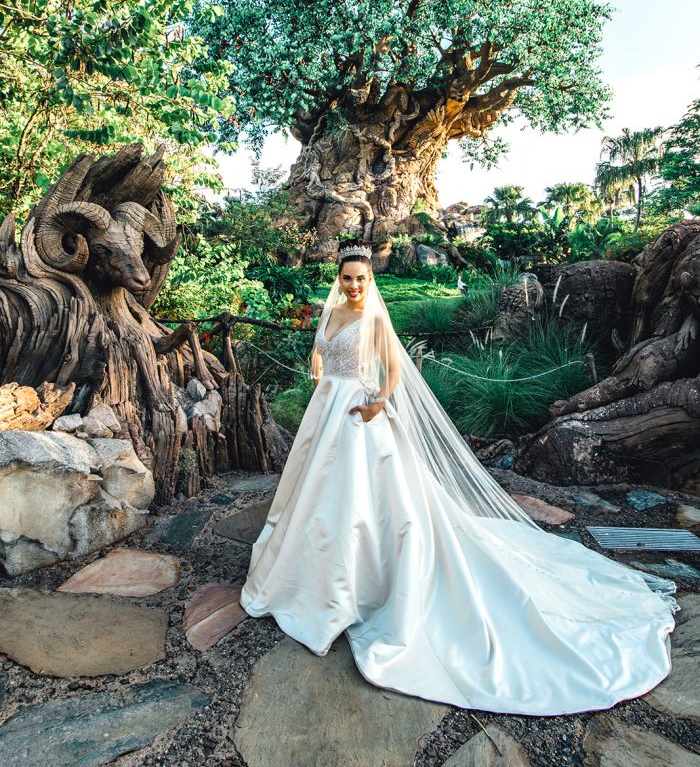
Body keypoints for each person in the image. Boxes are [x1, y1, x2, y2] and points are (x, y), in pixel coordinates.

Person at [240, 243, 678, 715]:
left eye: (361, 279)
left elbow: (392, 375)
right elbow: (319, 356)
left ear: (371, 280)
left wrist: (374, 404)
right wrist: (321, 376)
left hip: (359, 421)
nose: (353, 286)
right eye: (347, 279)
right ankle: (310, 578)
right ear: (338, 279)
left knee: (365, 507)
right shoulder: (332, 314)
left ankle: (358, 584)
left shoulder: (374, 320)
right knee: (315, 501)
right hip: (326, 413)